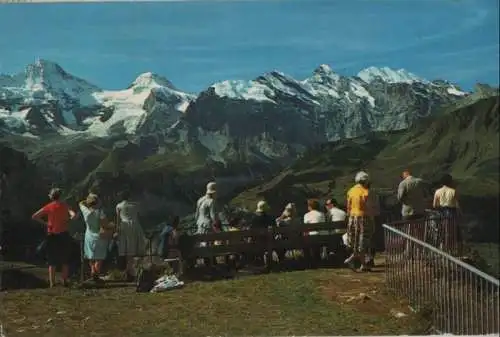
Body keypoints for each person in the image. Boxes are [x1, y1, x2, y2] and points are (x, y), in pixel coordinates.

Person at [31, 188, 76, 287]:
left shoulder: (49, 206)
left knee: (52, 260)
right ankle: (64, 281)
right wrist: (68, 220)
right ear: (61, 196)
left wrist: (46, 223)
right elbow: (73, 214)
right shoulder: (65, 205)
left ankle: (52, 282)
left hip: (52, 234)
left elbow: (34, 216)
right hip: (63, 234)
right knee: (65, 258)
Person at [79, 193, 114, 282]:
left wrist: (86, 202)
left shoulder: (85, 211)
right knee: (99, 257)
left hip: (89, 235)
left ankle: (93, 271)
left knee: (91, 256)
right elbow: (105, 224)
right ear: (97, 202)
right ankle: (96, 274)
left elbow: (80, 203)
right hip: (99, 236)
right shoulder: (100, 212)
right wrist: (112, 225)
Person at [345, 171, 374, 272]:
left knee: (356, 242)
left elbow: (348, 207)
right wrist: (371, 219)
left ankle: (362, 264)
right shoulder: (365, 192)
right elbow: (368, 207)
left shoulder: (350, 191)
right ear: (366, 181)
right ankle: (353, 260)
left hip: (352, 218)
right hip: (363, 218)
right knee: (363, 242)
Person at [115, 190, 146, 279]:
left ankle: (129, 271)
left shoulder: (119, 206)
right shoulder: (135, 205)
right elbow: (139, 216)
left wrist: (117, 230)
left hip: (124, 226)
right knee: (132, 249)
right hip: (134, 226)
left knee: (127, 249)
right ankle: (130, 271)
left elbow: (118, 220)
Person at [433, 174, 462, 252]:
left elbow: (434, 205)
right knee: (454, 231)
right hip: (452, 212)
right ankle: (453, 249)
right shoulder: (454, 191)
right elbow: (457, 204)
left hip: (442, 212)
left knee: (443, 230)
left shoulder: (437, 191)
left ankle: (443, 248)